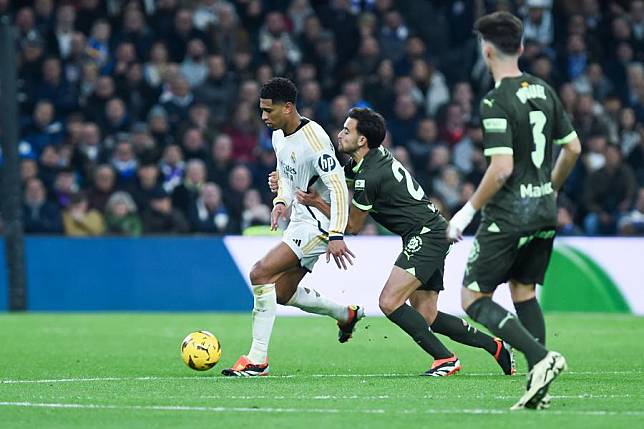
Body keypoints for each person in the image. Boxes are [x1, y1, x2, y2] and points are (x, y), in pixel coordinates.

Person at [280, 108, 514, 377]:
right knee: (426, 315)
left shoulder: (369, 176)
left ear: (362, 140)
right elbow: (335, 189)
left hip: (426, 234)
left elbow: (353, 225)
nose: (340, 134)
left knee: (390, 302)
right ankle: (495, 346)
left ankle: (445, 359)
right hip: (431, 231)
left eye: (347, 130)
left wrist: (317, 203)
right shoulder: (363, 164)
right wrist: (286, 181)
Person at [446, 12, 581, 410]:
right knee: (523, 292)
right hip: (544, 210)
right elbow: (572, 148)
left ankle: (541, 357)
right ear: (520, 47)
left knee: (473, 299)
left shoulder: (495, 99)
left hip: (509, 214)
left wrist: (466, 213)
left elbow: (501, 168)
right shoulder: (543, 89)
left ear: (485, 49)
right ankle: (538, 385)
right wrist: (550, 189)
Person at [222, 77, 360, 377]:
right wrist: (280, 201)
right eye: (261, 110)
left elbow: (337, 189)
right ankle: (345, 314)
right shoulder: (279, 135)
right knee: (281, 293)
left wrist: (336, 233)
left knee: (260, 273)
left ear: (288, 107)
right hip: (300, 216)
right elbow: (285, 173)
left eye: (269, 111)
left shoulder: (315, 141)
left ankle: (257, 359)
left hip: (320, 223)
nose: (263, 117)